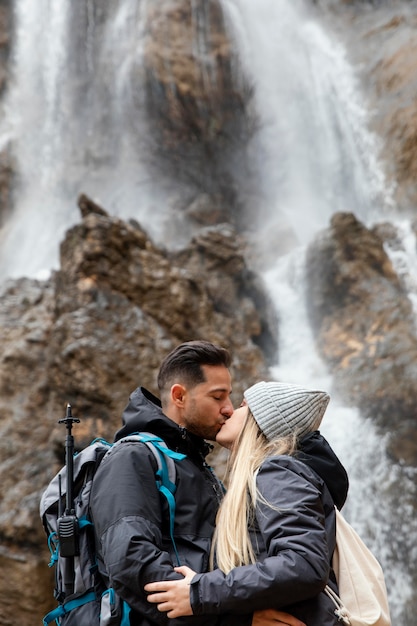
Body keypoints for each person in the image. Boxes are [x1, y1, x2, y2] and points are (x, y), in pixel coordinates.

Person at [90, 342, 305, 626]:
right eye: (218, 397)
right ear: (179, 396)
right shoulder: (132, 456)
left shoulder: (194, 466)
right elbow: (131, 561)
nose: (228, 409)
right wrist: (236, 619)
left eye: (229, 397)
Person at [145, 380, 350, 626]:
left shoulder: (278, 471)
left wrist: (199, 592)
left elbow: (303, 564)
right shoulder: (282, 474)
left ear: (261, 421)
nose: (230, 411)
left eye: (242, 405)